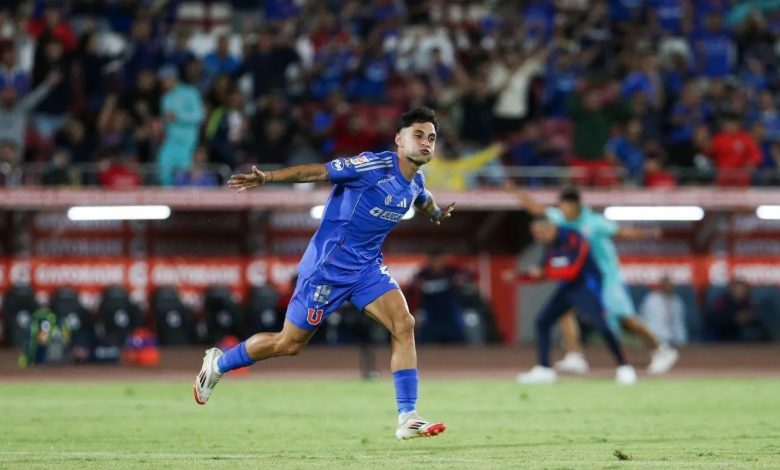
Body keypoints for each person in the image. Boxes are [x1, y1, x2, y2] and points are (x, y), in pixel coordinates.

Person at [194, 107, 454, 440]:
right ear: (398, 140)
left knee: (404, 324)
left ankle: (408, 416)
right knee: (288, 344)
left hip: (366, 269)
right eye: (418, 135)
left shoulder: (415, 180)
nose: (426, 143)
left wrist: (436, 214)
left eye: (431, 137)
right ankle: (218, 364)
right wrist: (268, 179)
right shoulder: (371, 166)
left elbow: (422, 198)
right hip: (326, 270)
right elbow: (314, 172)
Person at [513, 186, 679, 375]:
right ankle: (575, 357)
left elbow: (620, 233)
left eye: (565, 206)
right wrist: (514, 191)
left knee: (625, 318)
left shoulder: (595, 222)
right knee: (565, 312)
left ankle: (662, 349)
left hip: (607, 276)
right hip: (583, 278)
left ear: (576, 206)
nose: (562, 210)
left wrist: (648, 233)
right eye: (560, 206)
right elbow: (535, 209)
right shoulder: (559, 218)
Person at [503, 218, 636, 385]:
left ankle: (624, 366)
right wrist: (518, 277)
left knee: (601, 325)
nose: (538, 237)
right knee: (542, 321)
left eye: (540, 232)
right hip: (567, 289)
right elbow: (542, 274)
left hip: (586, 288)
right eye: (535, 234)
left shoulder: (574, 238)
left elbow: (571, 269)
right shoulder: (550, 246)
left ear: (551, 228)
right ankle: (544, 369)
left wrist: (545, 271)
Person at [157, 65, 205, 186]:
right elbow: (167, 121)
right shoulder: (165, 98)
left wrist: (178, 116)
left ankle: (185, 204)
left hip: (187, 143)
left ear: (173, 78)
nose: (163, 83)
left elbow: (200, 115)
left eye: (165, 80)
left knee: (185, 177)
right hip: (170, 142)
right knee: (163, 172)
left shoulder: (190, 92)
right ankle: (167, 201)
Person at [411, 249, 468, 344]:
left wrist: (460, 281)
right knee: (427, 340)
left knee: (459, 339)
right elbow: (415, 290)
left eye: (439, 260)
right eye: (434, 260)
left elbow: (464, 279)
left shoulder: (452, 271)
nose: (437, 263)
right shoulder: (423, 274)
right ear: (430, 261)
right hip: (431, 311)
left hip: (449, 311)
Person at [639, 276, 688, 346]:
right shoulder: (651, 300)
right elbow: (646, 323)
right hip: (656, 339)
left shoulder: (677, 302)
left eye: (671, 285)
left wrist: (682, 341)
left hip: (674, 341)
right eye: (666, 285)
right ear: (661, 286)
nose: (669, 287)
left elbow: (679, 324)